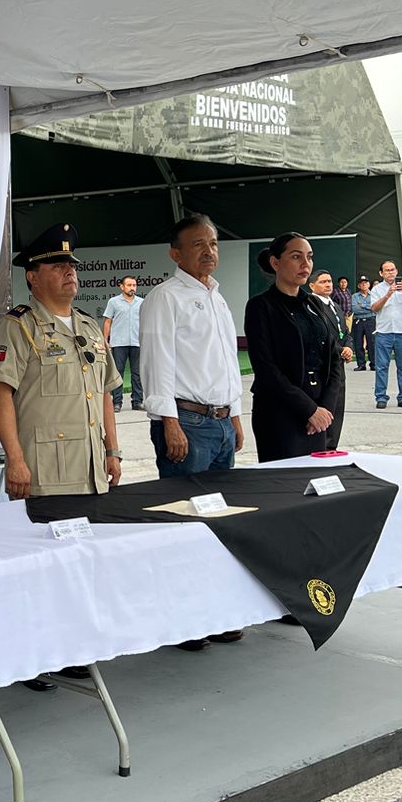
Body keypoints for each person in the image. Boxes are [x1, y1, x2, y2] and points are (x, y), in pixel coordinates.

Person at [0, 223, 122, 690]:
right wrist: (15, 460)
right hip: (45, 469)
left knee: (79, 562)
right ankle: (33, 654)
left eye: (71, 266)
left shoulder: (87, 326)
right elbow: (0, 394)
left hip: (89, 469)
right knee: (41, 565)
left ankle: (70, 647)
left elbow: (105, 393)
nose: (69, 273)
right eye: (57, 265)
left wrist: (113, 449)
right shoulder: (19, 326)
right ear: (32, 274)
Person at [138, 213, 246, 649]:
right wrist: (170, 423)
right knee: (184, 526)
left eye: (214, 244)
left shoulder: (217, 297)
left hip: (219, 423)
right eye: (198, 244)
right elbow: (156, 364)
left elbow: (224, 363)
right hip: (188, 424)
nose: (209, 251)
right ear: (175, 253)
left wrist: (235, 415)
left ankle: (215, 612)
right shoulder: (165, 298)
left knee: (219, 523)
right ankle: (183, 620)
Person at [245, 239, 343, 461]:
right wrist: (309, 410)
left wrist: (325, 408)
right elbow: (265, 367)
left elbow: (333, 358)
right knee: (285, 486)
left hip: (319, 416)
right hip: (281, 413)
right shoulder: (261, 306)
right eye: (296, 257)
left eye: (309, 257)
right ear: (276, 262)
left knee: (315, 484)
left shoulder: (315, 305)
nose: (305, 264)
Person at [310, 270, 353, 449]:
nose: (328, 285)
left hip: (338, 366)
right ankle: (321, 448)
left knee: (337, 407)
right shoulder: (310, 305)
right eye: (323, 282)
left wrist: (349, 347)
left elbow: (345, 332)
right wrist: (339, 350)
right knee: (325, 406)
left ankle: (332, 447)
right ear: (312, 285)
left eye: (330, 281)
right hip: (323, 366)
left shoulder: (335, 306)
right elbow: (318, 335)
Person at [369, 260, 402, 409]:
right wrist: (388, 295)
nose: (390, 273)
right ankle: (381, 397)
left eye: (392, 270)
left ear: (397, 271)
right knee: (381, 366)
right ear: (381, 273)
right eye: (387, 270)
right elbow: (374, 308)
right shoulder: (377, 289)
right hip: (384, 333)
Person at [102, 275, 144, 412]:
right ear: (122, 287)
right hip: (119, 342)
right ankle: (117, 402)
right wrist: (106, 340)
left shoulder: (142, 302)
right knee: (118, 373)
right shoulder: (113, 302)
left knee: (137, 373)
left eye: (134, 285)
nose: (132, 288)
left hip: (137, 341)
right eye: (129, 285)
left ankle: (137, 402)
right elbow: (108, 322)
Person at [349, 276, 376, 371]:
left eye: (366, 282)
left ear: (369, 284)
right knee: (358, 343)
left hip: (371, 321)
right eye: (362, 283)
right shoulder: (354, 296)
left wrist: (363, 305)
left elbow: (375, 308)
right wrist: (368, 307)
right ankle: (361, 364)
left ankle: (373, 364)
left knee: (372, 343)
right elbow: (355, 309)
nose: (364, 284)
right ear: (359, 285)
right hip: (358, 321)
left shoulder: (373, 295)